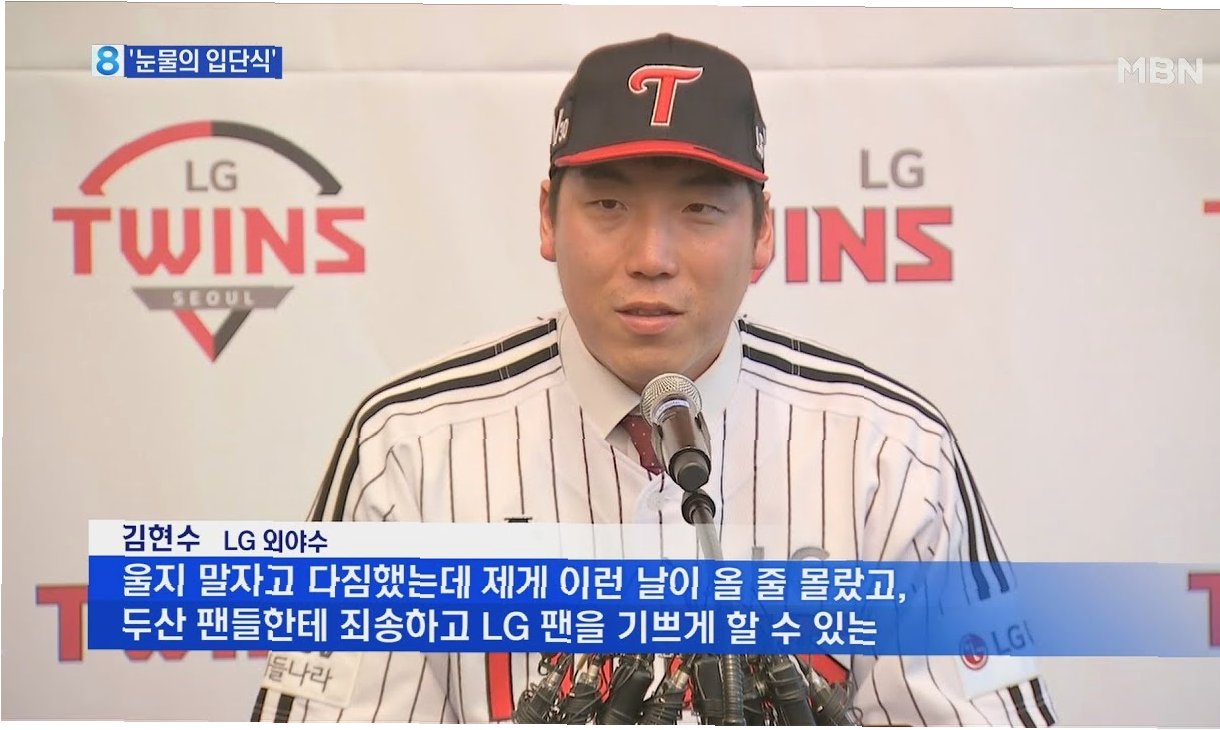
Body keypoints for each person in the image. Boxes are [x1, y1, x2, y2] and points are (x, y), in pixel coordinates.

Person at [251, 33, 1057, 726]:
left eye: (700, 210)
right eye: (608, 205)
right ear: (547, 217)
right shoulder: (407, 452)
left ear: (764, 233)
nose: (651, 256)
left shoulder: (891, 458)